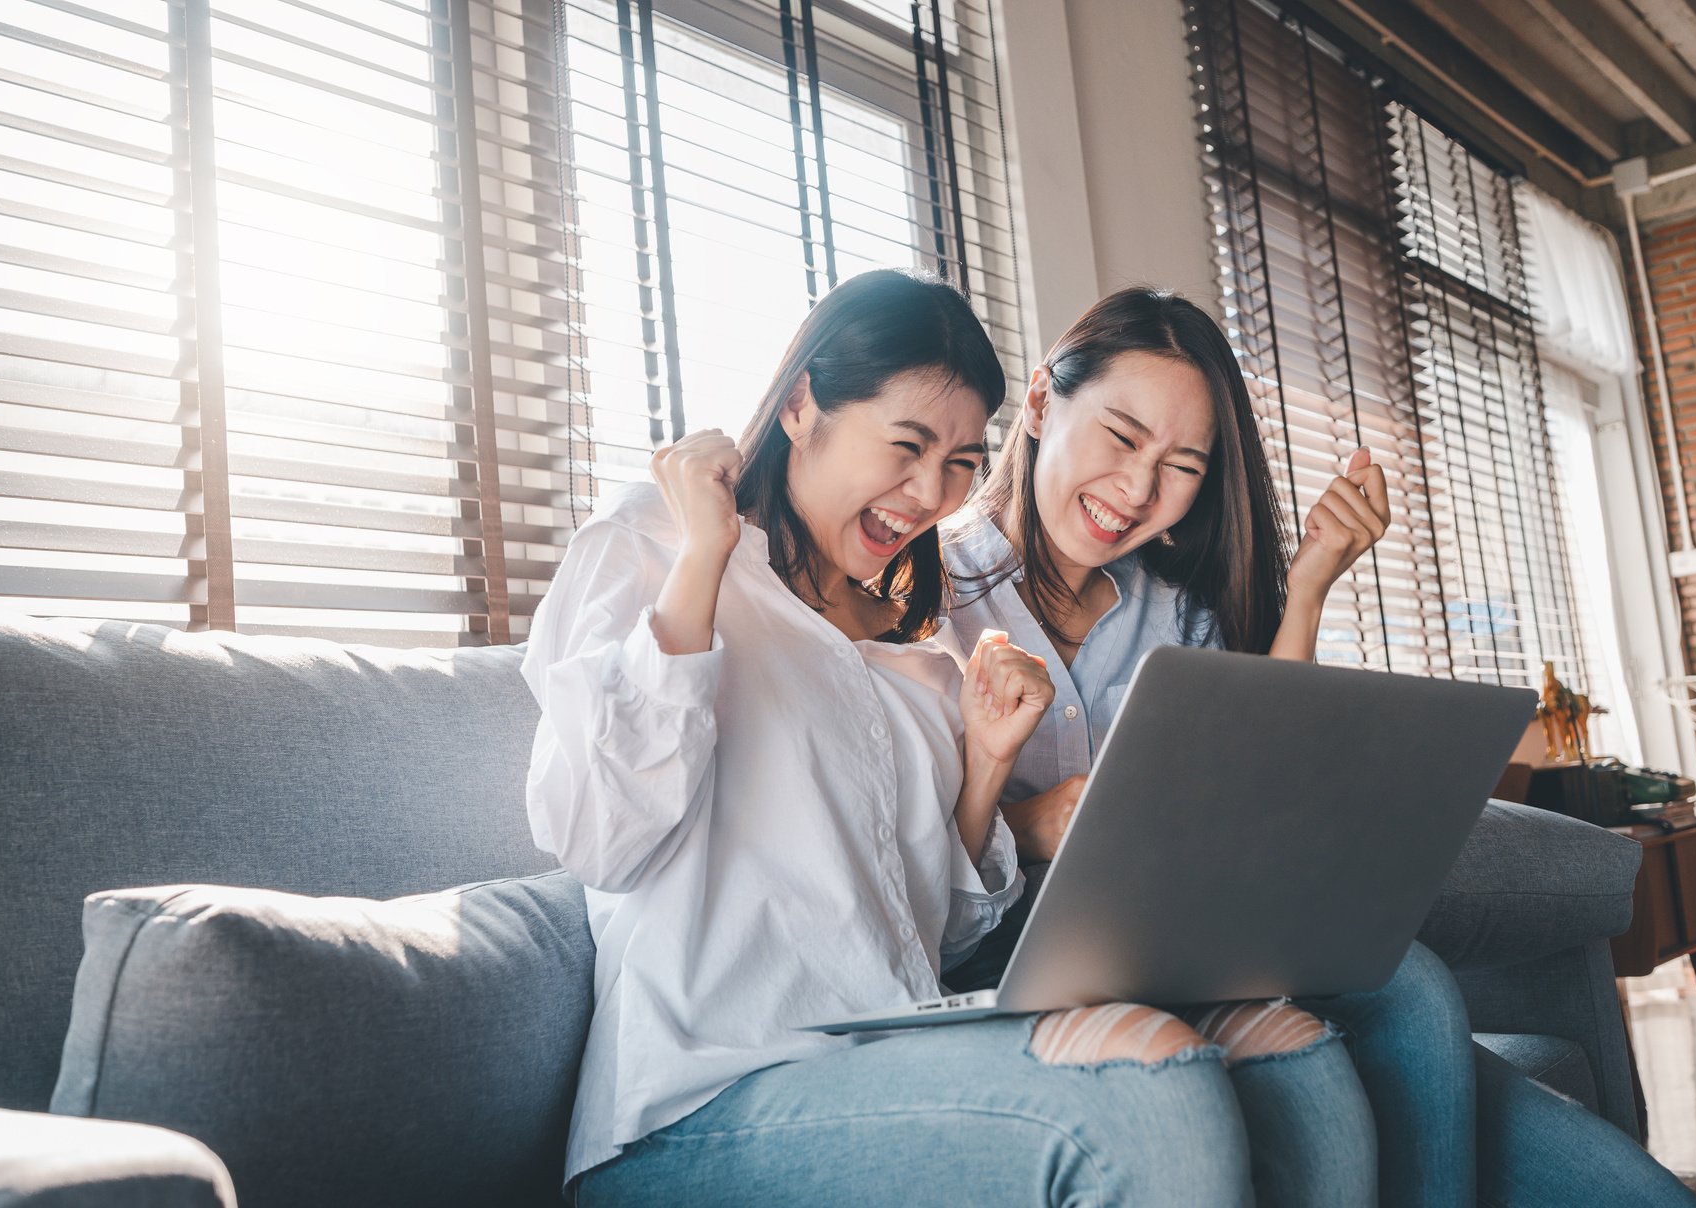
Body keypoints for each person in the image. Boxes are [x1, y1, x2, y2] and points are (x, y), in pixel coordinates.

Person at [522, 269, 1380, 1207]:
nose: (930, 491)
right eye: (906, 444)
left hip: (892, 1049)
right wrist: (703, 563)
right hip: (698, 1095)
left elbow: (933, 937)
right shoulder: (655, 546)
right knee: (1155, 1092)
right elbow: (601, 838)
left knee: (1302, 1072)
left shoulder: (909, 646)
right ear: (803, 404)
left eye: (962, 461)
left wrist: (983, 770)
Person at [941, 285, 1696, 1208]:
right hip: (1016, 957)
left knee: (1431, 1001)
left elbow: (1258, 782)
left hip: (1188, 937)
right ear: (1035, 404)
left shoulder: (1169, 608)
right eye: (1121, 435)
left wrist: (1305, 590)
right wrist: (1030, 823)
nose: (1139, 489)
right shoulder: (924, 585)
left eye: (1182, 463)